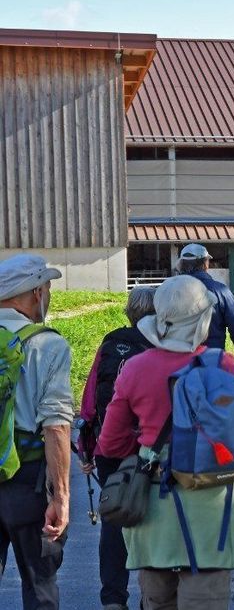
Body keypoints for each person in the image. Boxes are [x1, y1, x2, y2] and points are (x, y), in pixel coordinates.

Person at [96, 276, 234, 610]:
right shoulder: (224, 364)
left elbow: (110, 443)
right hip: (211, 508)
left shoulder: (134, 368)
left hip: (153, 510)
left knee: (157, 600)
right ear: (204, 321)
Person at [0, 255, 73, 610]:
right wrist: (61, 496)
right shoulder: (47, 345)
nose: (49, 295)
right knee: (39, 585)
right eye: (47, 288)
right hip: (26, 478)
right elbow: (56, 424)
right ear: (32, 293)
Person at [78, 286, 156, 610]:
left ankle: (113, 599)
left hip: (109, 446)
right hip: (146, 449)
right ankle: (152, 597)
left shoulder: (111, 342)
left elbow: (89, 398)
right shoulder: (160, 346)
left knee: (114, 522)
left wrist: (87, 445)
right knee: (154, 521)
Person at [177, 243, 234, 362]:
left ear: (181, 265)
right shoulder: (220, 291)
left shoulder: (168, 291)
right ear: (205, 264)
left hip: (176, 365)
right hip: (212, 363)